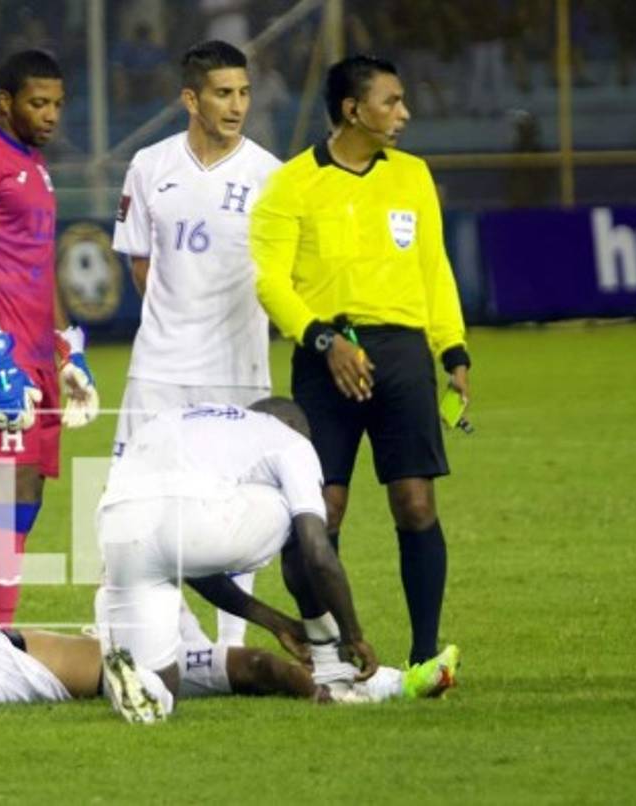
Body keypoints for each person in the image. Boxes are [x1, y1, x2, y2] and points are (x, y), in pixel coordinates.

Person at [250, 56, 470, 670]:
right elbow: (270, 283)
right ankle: (329, 648)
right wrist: (325, 341)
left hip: (402, 355)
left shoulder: (413, 177)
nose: (404, 114)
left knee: (416, 502)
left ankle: (425, 658)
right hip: (325, 353)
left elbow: (434, 268)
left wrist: (451, 349)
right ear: (352, 110)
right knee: (322, 509)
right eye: (391, 102)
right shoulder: (292, 185)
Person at [95, 399, 459, 723]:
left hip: (117, 523)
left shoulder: (190, 419)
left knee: (163, 692)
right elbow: (317, 553)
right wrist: (353, 635)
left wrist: (275, 622)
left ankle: (145, 686)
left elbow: (185, 557)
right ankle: (334, 671)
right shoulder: (290, 439)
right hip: (194, 523)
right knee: (303, 517)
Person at [110, 40, 280, 648]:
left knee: (238, 507)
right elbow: (141, 268)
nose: (237, 105)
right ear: (191, 98)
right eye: (223, 93)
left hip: (240, 369)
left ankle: (232, 645)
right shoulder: (150, 166)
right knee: (138, 504)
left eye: (244, 92)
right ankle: (177, 640)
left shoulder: (270, 176)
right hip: (159, 368)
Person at [0, 49, 99, 633]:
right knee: (8, 491)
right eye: (38, 103)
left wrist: (69, 347)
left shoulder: (34, 164)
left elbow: (40, 263)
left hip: (35, 357)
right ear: (5, 102)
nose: (51, 114)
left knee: (27, 491)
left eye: (57, 103)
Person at [0, 579, 453, 709]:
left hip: (125, 648)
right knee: (141, 565)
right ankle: (144, 699)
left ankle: (393, 684)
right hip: (122, 660)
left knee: (261, 667)